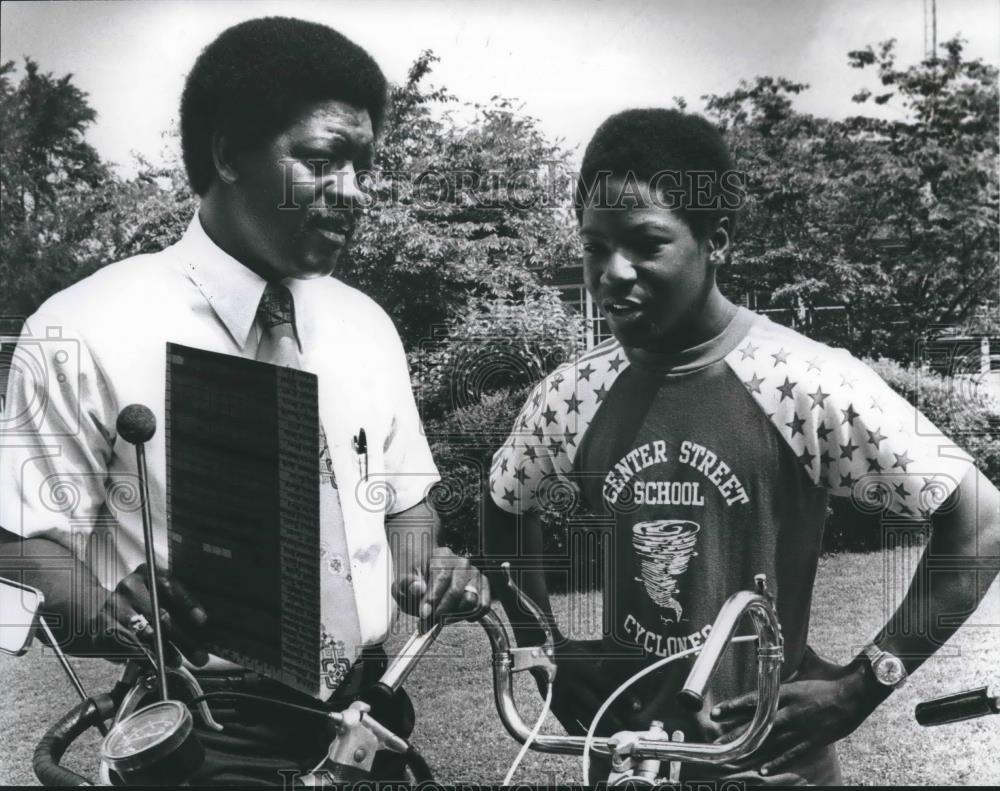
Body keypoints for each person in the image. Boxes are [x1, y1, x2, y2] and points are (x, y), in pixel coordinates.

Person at [0, 16, 488, 784]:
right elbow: (17, 544)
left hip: (368, 723)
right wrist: (114, 610)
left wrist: (428, 565)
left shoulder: (366, 325)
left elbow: (404, 507)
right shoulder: (81, 326)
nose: (353, 193)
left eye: (362, 165)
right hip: (197, 732)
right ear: (227, 152)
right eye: (324, 161)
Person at [485, 108, 1000, 785]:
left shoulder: (803, 379)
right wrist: (539, 642)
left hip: (773, 765)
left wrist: (865, 680)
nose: (612, 270)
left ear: (715, 238)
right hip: (626, 763)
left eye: (645, 242)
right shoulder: (570, 393)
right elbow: (503, 508)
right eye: (594, 244)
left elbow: (982, 523)